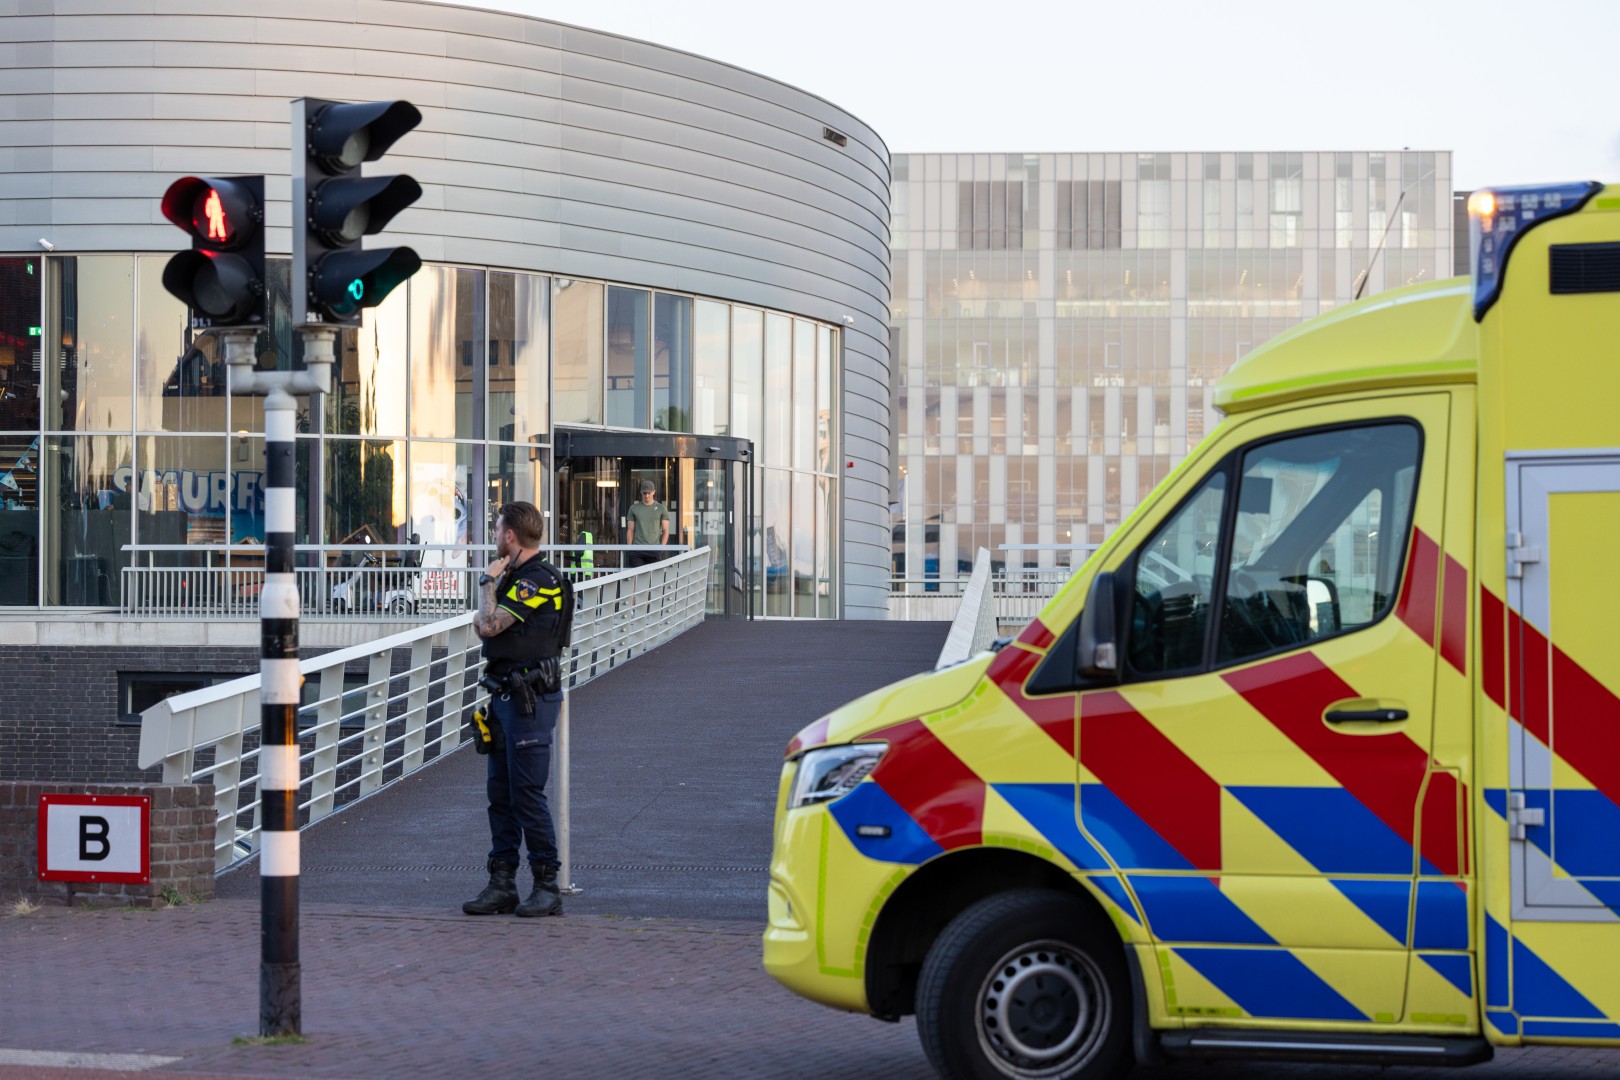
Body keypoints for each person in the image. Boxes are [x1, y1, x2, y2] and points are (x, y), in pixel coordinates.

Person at [462, 501, 574, 918]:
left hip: (531, 699)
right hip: (505, 695)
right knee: (501, 795)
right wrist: (493, 590)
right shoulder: (515, 577)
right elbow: (484, 626)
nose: (494, 535)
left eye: (496, 529)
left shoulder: (538, 579)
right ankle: (502, 883)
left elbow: (487, 625)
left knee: (527, 794)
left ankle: (547, 886)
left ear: (510, 535)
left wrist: (486, 582)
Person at [624, 479, 669, 568]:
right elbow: (630, 530)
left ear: (654, 492)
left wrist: (662, 548)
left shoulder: (661, 508)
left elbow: (665, 530)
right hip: (637, 549)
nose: (647, 495)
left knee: (654, 579)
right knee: (636, 578)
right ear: (641, 492)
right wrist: (630, 548)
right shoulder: (634, 508)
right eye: (644, 493)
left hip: (654, 548)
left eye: (649, 493)